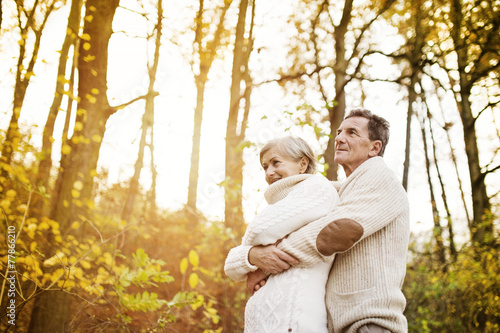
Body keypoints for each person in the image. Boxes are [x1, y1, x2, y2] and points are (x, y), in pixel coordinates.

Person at [247, 108, 410, 333]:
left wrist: (268, 264)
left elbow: (333, 233)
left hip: (369, 323)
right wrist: (251, 256)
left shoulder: (380, 177)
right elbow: (311, 194)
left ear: (375, 147)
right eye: (339, 132)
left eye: (352, 133)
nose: (340, 138)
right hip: (342, 325)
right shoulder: (347, 190)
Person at [224, 136, 340, 332]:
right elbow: (230, 269)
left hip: (294, 323)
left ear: (303, 164)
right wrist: (252, 255)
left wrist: (249, 259)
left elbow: (261, 229)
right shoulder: (283, 205)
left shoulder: (318, 188)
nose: (269, 172)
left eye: (276, 162)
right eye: (264, 166)